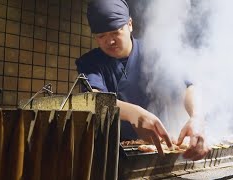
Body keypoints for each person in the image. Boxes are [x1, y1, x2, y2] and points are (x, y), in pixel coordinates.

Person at [75, 0, 209, 160]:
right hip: (111, 152)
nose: (109, 41)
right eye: (101, 36)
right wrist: (134, 113)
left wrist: (197, 117)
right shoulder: (90, 62)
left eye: (115, 32)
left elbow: (188, 85)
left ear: (129, 24)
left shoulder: (154, 51)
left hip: (160, 145)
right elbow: (92, 99)